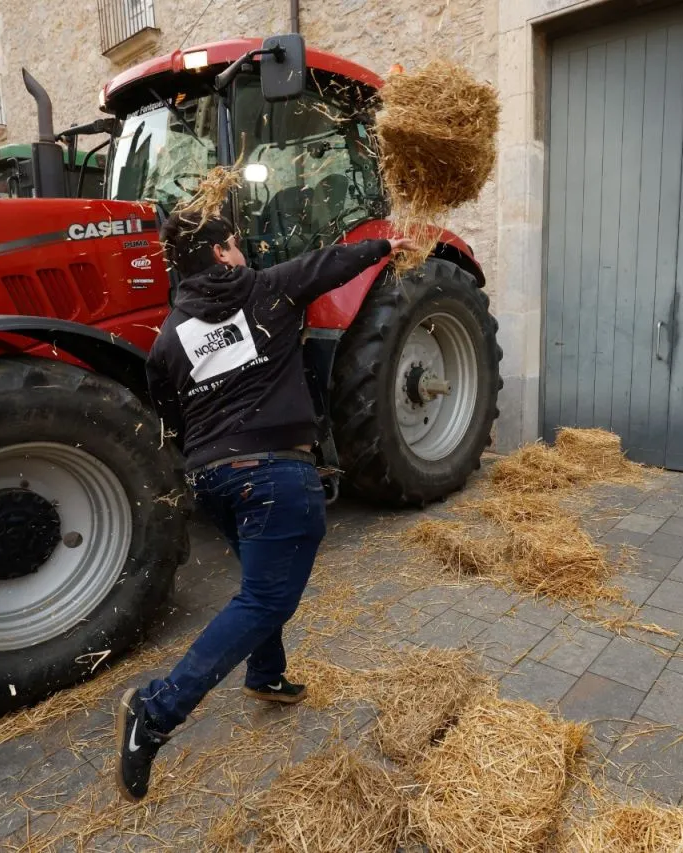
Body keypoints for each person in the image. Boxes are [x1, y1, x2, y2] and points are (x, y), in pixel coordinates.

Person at [115, 197, 415, 802]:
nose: (242, 251)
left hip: (212, 481)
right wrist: (386, 245)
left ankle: (267, 675)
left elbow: (169, 414)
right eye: (235, 244)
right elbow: (330, 264)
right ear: (223, 251)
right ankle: (157, 711)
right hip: (277, 475)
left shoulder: (169, 339)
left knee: (259, 582)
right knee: (265, 598)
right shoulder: (269, 290)